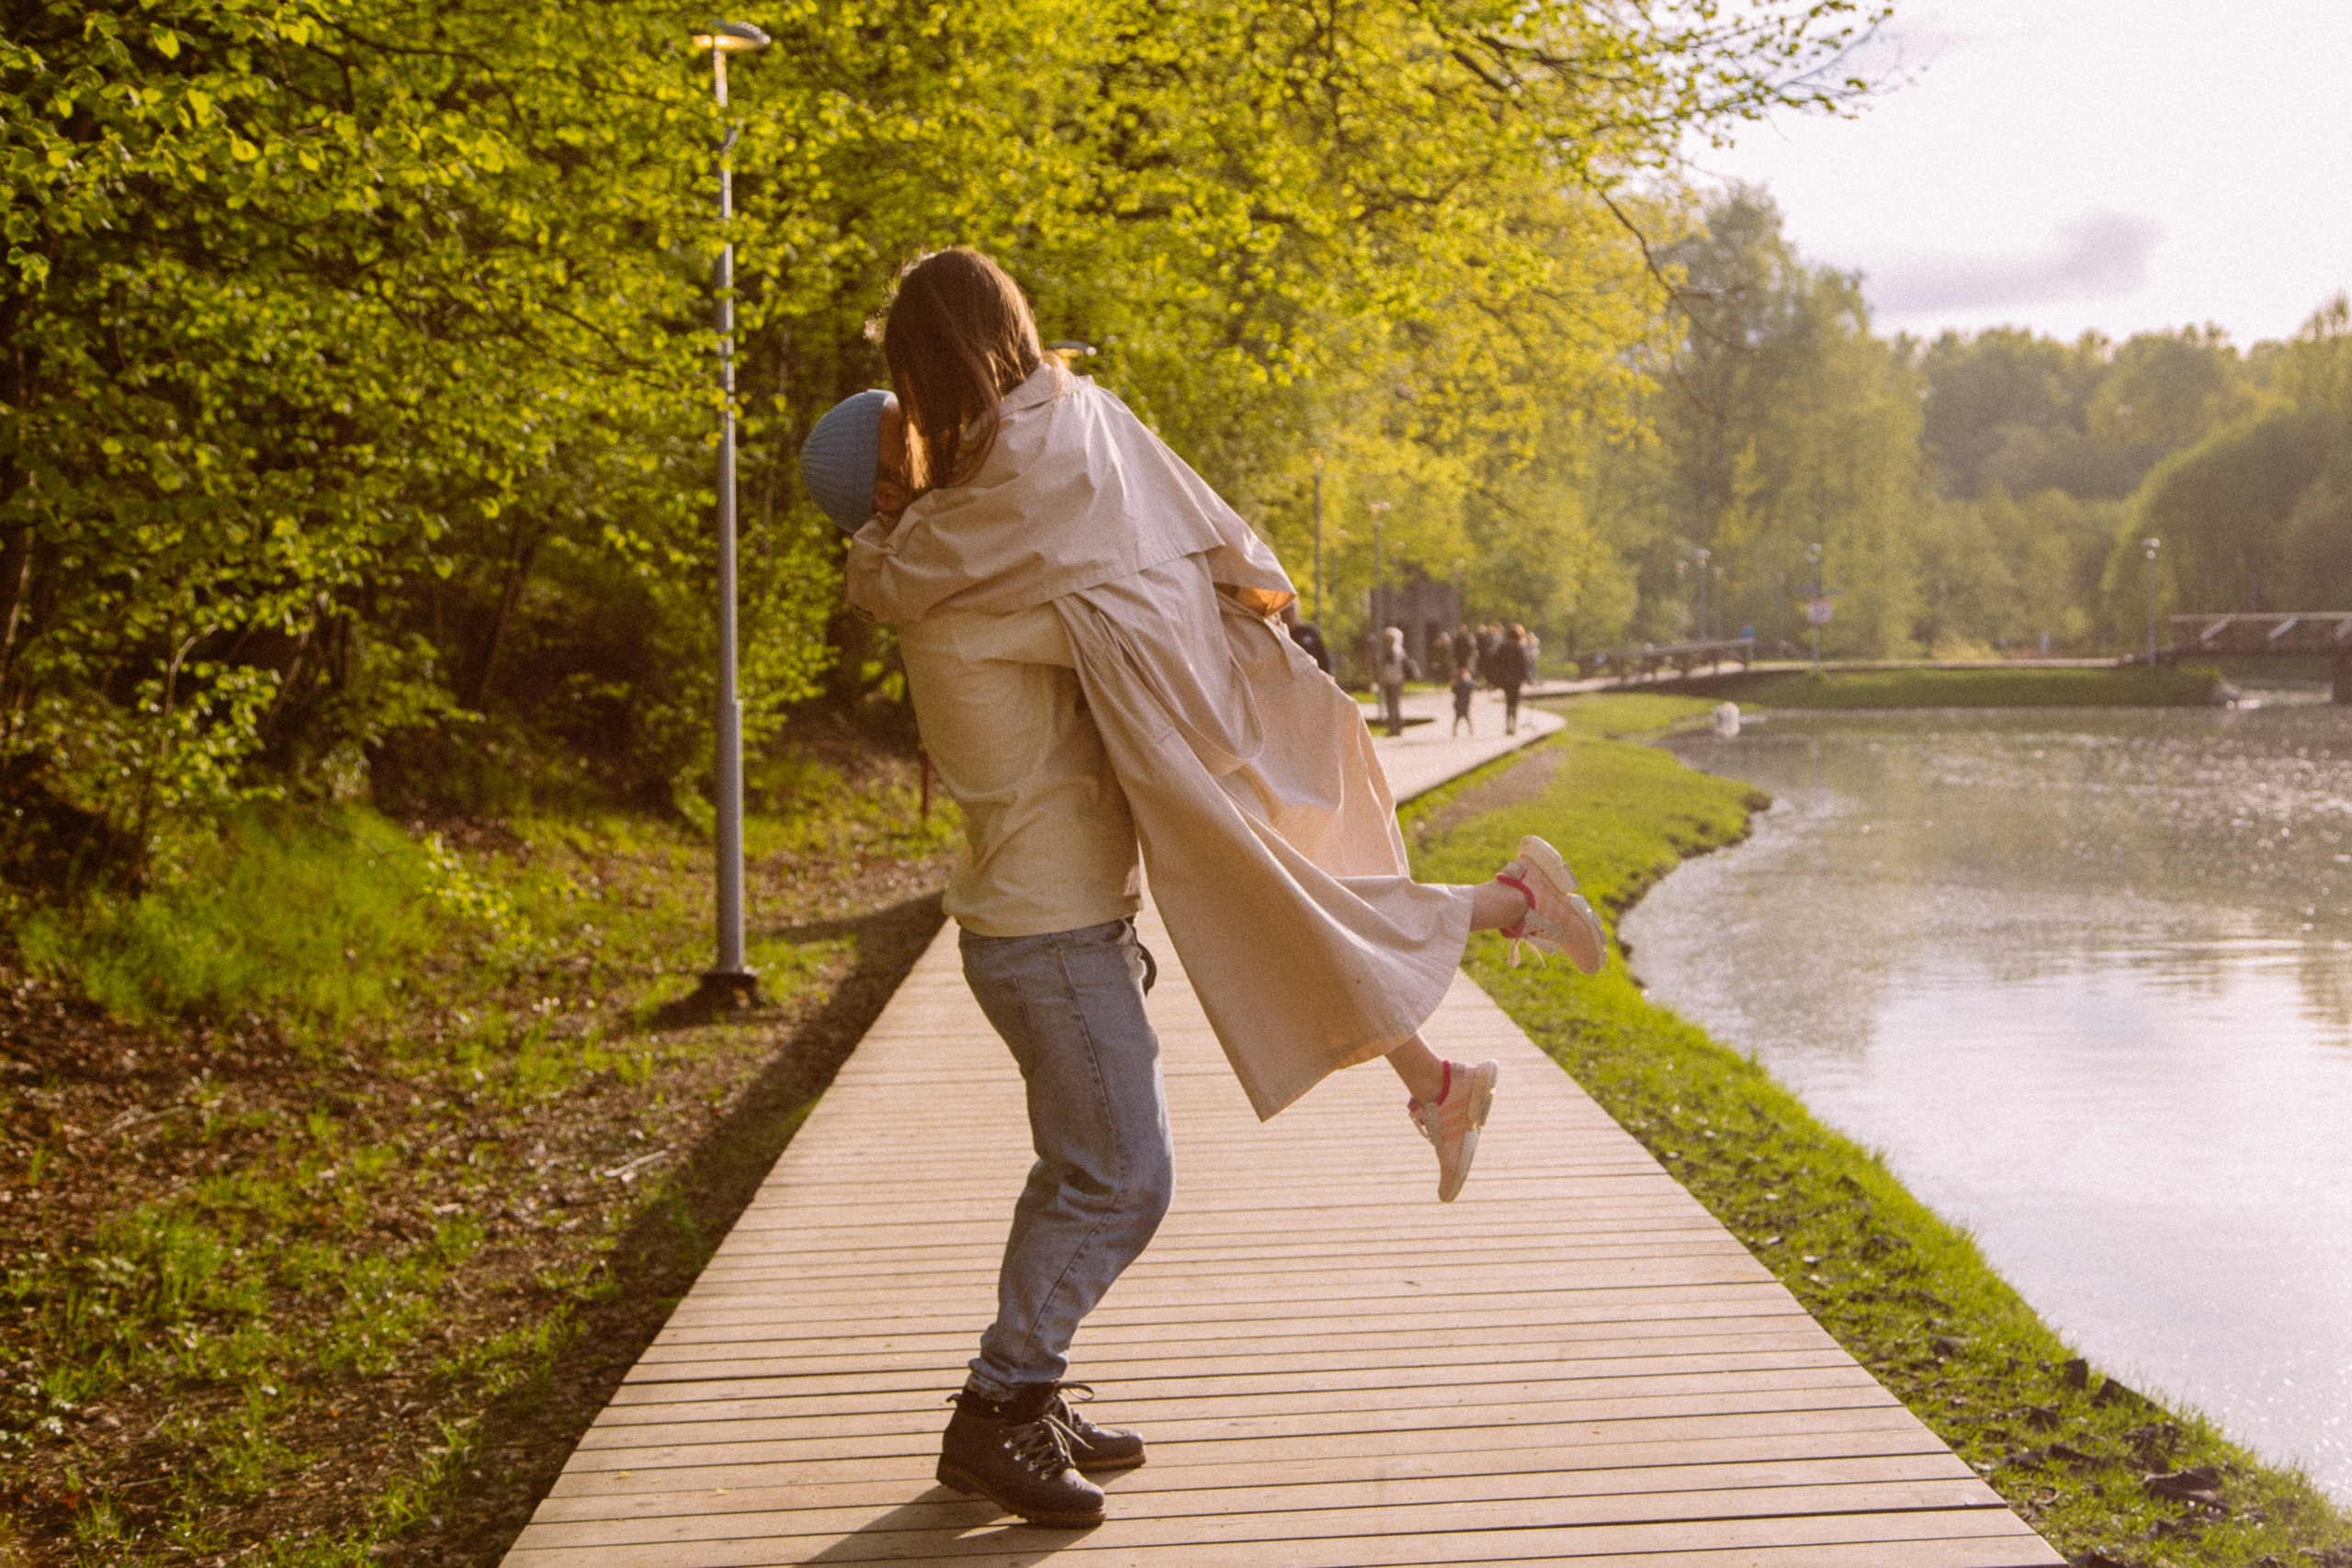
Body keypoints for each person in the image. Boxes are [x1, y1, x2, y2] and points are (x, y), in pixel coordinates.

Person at [803, 247, 1606, 1529]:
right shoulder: (966, 573)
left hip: (1062, 926)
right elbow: (1104, 515)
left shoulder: (973, 548)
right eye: (903, 442)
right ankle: (999, 1406)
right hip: (1043, 932)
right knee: (1125, 1176)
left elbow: (1054, 522)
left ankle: (1030, 1384)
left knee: (1077, 1165)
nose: (928, 439)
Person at [1375, 625, 1417, 737]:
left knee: (1391, 705)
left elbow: (1387, 668)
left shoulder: (1390, 651)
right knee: (1395, 705)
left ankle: (1393, 728)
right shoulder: (1400, 650)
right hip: (1398, 680)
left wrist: (1384, 679)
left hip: (1391, 680)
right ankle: (1397, 727)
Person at [1490, 624, 1530, 736]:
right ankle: (1514, 726)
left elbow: (1496, 662)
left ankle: (1508, 725)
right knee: (1515, 702)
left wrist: (1497, 678)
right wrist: (1527, 678)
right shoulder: (1518, 648)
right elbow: (1523, 665)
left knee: (1508, 702)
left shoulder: (1503, 647)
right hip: (1516, 680)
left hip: (1506, 679)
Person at [1450, 663, 1477, 737]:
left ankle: (1459, 731)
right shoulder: (1463, 684)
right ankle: (1466, 730)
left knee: (1462, 717)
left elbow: (1453, 690)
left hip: (1462, 703)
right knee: (1461, 717)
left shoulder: (1464, 684)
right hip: (1461, 703)